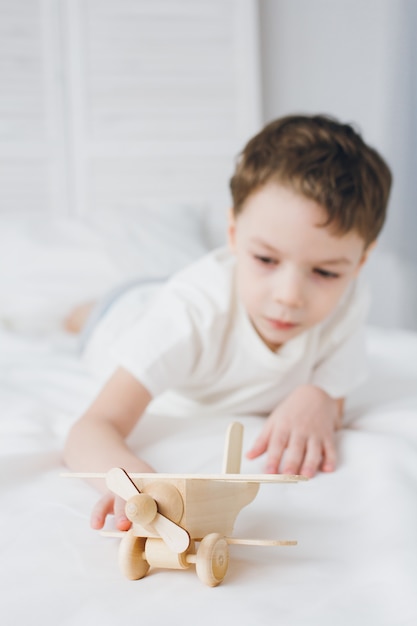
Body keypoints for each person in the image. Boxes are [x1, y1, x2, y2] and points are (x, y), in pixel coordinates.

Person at [64, 114, 392, 531]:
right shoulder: (189, 313)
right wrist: (136, 482)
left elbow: (336, 389)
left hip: (194, 299)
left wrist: (319, 396)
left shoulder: (349, 300)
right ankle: (86, 309)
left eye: (325, 272)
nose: (289, 296)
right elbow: (92, 427)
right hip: (124, 316)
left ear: (360, 261)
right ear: (233, 234)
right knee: (92, 314)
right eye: (266, 259)